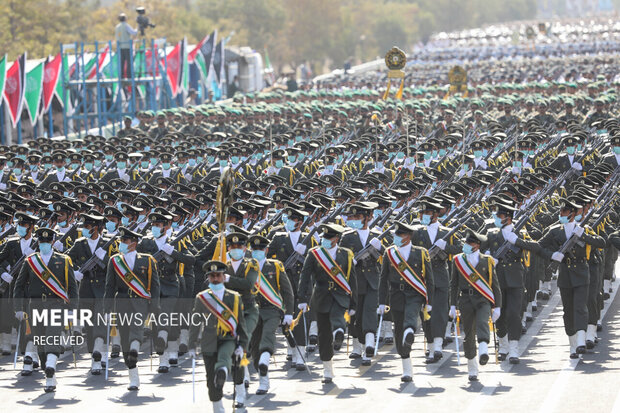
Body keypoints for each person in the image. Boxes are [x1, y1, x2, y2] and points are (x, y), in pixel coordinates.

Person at [13, 228, 79, 392]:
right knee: (40, 341)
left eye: (46, 242)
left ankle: (50, 367)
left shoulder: (63, 260)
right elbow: (19, 286)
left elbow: (72, 287)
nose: (43, 244)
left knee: (53, 336)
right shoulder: (31, 261)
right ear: (38, 243)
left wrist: (72, 309)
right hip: (35, 306)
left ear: (52, 242)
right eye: (41, 242)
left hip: (56, 305)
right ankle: (49, 371)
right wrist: (18, 308)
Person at [298, 223, 357, 384]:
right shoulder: (315, 253)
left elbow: (352, 279)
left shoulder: (346, 254)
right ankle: (327, 369)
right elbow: (305, 276)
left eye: (329, 237)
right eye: (324, 237)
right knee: (323, 335)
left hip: (340, 295)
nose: (325, 240)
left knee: (337, 316)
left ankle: (339, 331)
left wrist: (353, 303)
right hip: (321, 296)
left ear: (336, 239)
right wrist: (301, 299)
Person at [104, 226, 160, 391]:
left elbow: (155, 286)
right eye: (121, 240)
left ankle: (135, 348)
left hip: (140, 302)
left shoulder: (147, 260)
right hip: (121, 302)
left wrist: (155, 306)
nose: (122, 243)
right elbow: (109, 287)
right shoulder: (114, 260)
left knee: (136, 329)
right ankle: (133, 377)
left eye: (125, 240)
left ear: (134, 243)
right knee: (124, 338)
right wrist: (107, 310)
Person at [188, 260, 248, 413]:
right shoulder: (202, 298)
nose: (215, 278)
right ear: (208, 277)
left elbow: (241, 325)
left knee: (226, 359)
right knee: (211, 380)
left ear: (223, 276)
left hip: (229, 338)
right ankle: (218, 408)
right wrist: (191, 344)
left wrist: (242, 345)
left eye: (218, 275)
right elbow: (196, 322)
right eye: (212, 276)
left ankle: (227, 376)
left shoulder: (234, 297)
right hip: (209, 341)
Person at [378, 221, 434, 382]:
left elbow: (429, 279)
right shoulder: (390, 253)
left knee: (410, 317)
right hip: (395, 294)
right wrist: (382, 302)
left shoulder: (421, 253)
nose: (395, 238)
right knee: (398, 332)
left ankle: (410, 331)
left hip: (414, 293)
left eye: (399, 235)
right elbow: (383, 279)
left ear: (408, 236)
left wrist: (429, 300)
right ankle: (407, 369)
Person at [450, 230, 501, 382]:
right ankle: (472, 368)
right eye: (466, 242)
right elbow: (454, 285)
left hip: (482, 299)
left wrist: (497, 306)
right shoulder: (458, 260)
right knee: (468, 334)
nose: (466, 245)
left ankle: (484, 351)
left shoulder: (487, 260)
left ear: (477, 245)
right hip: (465, 299)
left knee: (482, 323)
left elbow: (495, 285)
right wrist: (452, 304)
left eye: (470, 243)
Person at [115, 13, 137, 79]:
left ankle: (121, 76)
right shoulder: (126, 26)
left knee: (121, 62)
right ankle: (129, 76)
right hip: (127, 46)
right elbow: (133, 32)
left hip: (120, 47)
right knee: (129, 62)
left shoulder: (117, 27)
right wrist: (137, 28)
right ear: (125, 19)